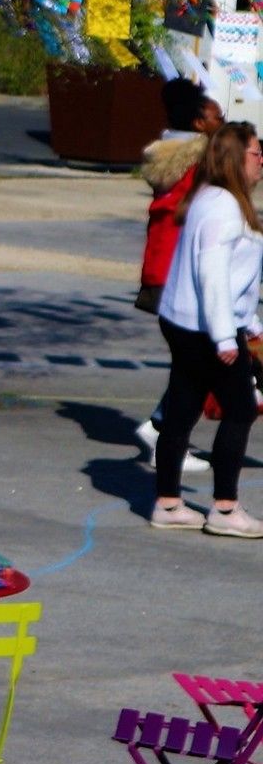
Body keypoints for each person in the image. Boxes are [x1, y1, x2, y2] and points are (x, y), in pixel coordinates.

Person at [150, 121, 263, 535]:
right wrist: (223, 336)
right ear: (236, 158)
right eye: (256, 152)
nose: (262, 160)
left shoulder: (213, 198)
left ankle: (167, 503)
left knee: (182, 409)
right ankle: (226, 509)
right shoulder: (223, 207)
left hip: (188, 321)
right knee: (241, 409)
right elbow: (212, 274)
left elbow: (235, 278)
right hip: (205, 328)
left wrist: (251, 324)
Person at [134, 77, 223, 470]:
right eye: (216, 114)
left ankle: (162, 428)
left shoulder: (168, 152)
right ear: (200, 121)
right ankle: (163, 433)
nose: (223, 120)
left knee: (192, 359)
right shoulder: (203, 162)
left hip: (161, 265)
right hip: (180, 270)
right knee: (198, 359)